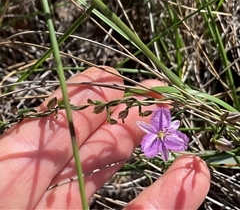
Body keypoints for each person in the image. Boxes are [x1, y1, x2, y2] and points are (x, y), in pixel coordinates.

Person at [0, 66, 210, 209]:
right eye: (162, 132)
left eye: (164, 133)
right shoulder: (157, 124)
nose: (163, 133)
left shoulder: (161, 127)